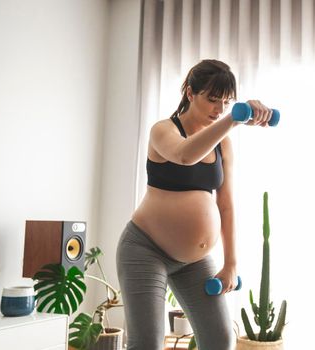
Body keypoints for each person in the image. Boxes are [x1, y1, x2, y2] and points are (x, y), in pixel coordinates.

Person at [116, 59, 273, 350]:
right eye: (212, 100)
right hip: (145, 249)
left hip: (194, 260)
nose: (219, 110)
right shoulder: (163, 131)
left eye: (226, 103)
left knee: (220, 339)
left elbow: (225, 204)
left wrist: (231, 263)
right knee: (147, 342)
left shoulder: (223, 142)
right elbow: (186, 155)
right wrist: (234, 120)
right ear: (190, 93)